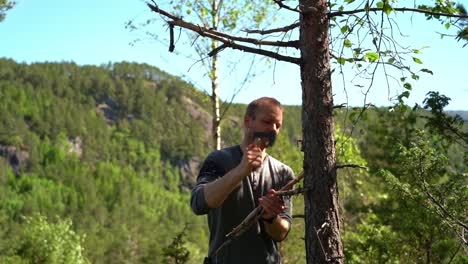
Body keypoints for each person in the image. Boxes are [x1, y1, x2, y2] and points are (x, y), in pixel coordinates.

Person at [190, 97, 295, 264]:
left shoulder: (283, 173)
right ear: (248, 121)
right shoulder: (218, 160)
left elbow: (281, 233)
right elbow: (198, 203)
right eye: (267, 122)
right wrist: (240, 171)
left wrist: (270, 218)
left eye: (278, 125)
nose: (273, 129)